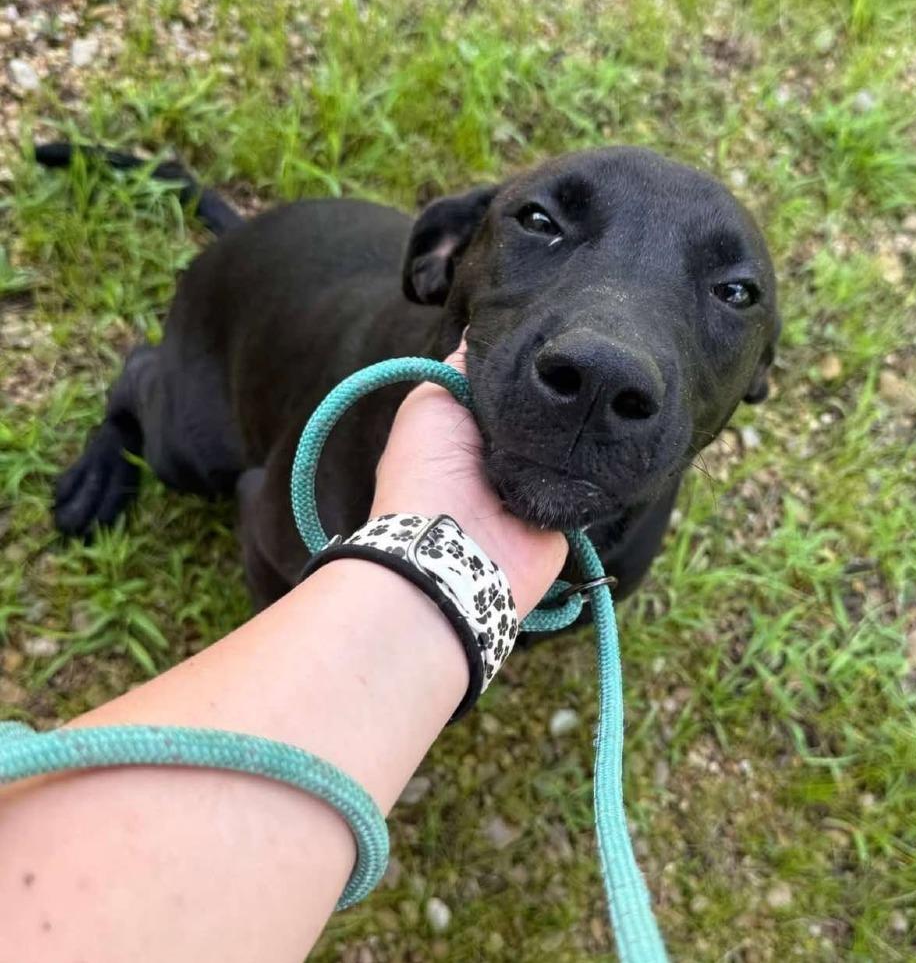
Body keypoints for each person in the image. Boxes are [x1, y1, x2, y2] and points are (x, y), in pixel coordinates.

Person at [0, 344, 567, 963]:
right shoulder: (362, 436)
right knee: (186, 450)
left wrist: (447, 597)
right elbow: (260, 500)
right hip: (231, 340)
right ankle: (139, 392)